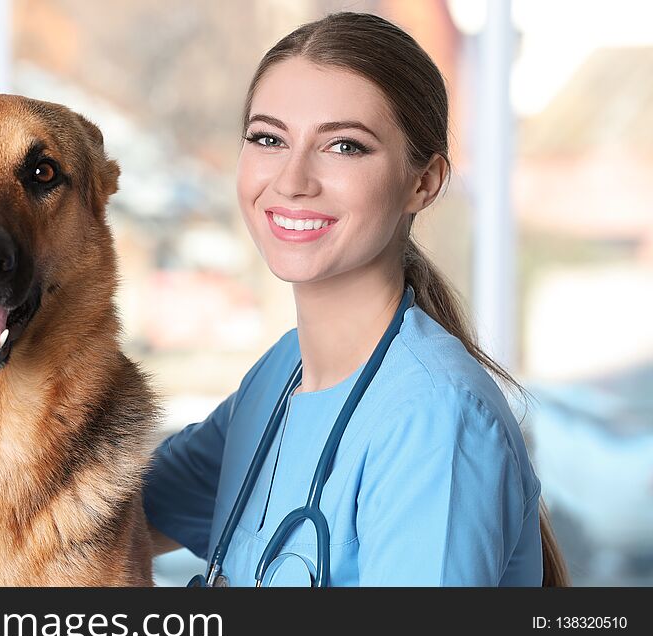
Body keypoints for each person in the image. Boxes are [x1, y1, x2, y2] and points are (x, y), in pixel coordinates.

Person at [142, 11, 570, 586]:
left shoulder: (434, 422)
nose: (292, 180)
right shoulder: (280, 377)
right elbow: (94, 520)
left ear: (425, 182)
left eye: (344, 146)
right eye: (268, 138)